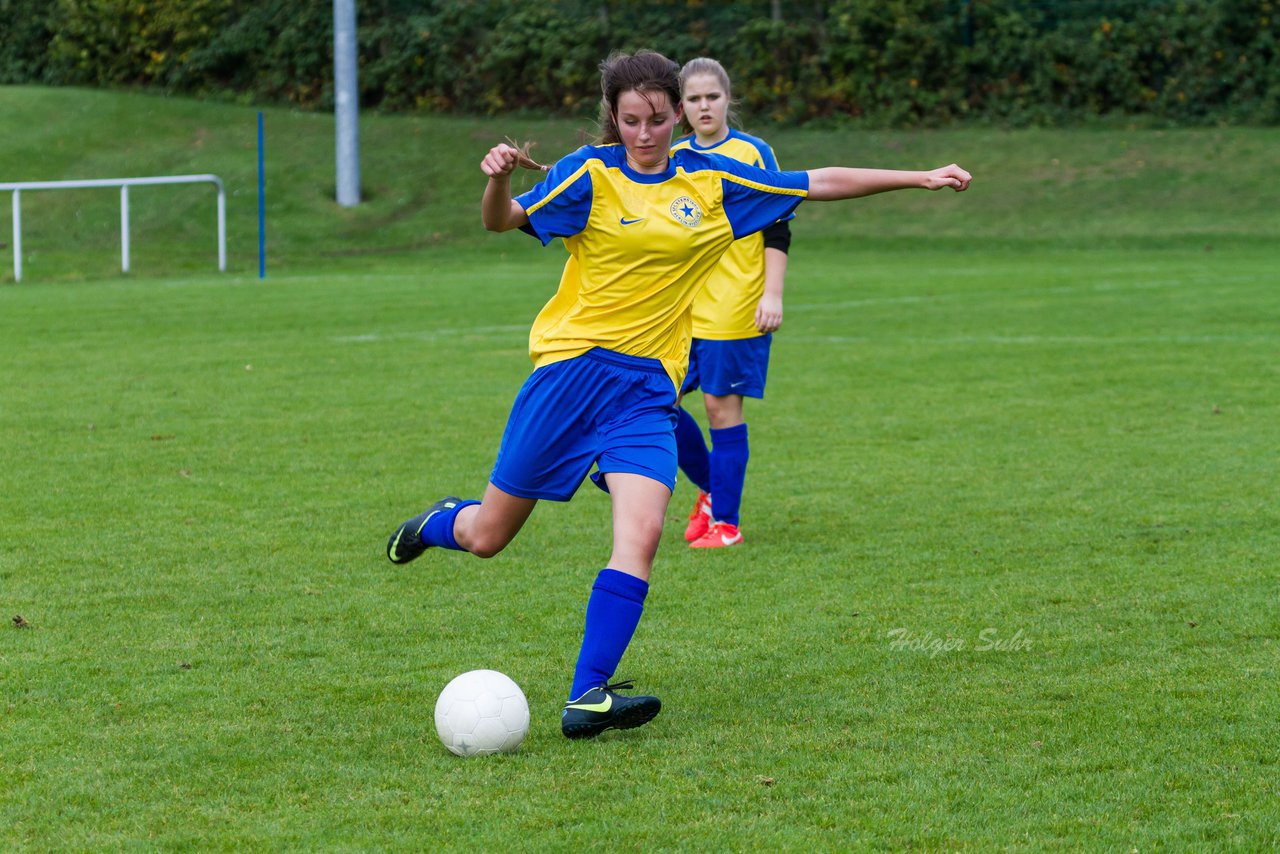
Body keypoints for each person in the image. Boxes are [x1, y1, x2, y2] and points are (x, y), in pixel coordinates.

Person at [386, 49, 971, 741]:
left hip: (645, 390)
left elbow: (814, 181)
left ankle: (588, 696)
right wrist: (494, 181)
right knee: (488, 537)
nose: (645, 134)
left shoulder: (712, 179)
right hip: (570, 375)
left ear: (675, 115)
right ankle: (433, 524)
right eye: (630, 121)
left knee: (644, 532)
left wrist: (919, 178)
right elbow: (500, 220)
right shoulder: (588, 173)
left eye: (657, 120)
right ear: (613, 118)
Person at [670, 56, 790, 549]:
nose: (704, 106)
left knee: (722, 408)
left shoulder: (753, 153)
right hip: (679, 310)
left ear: (727, 100)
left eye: (712, 97)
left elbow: (778, 227)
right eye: (694, 99)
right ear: (680, 107)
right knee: (658, 402)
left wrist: (772, 294)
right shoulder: (674, 157)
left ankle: (727, 524)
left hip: (736, 305)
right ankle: (712, 489)